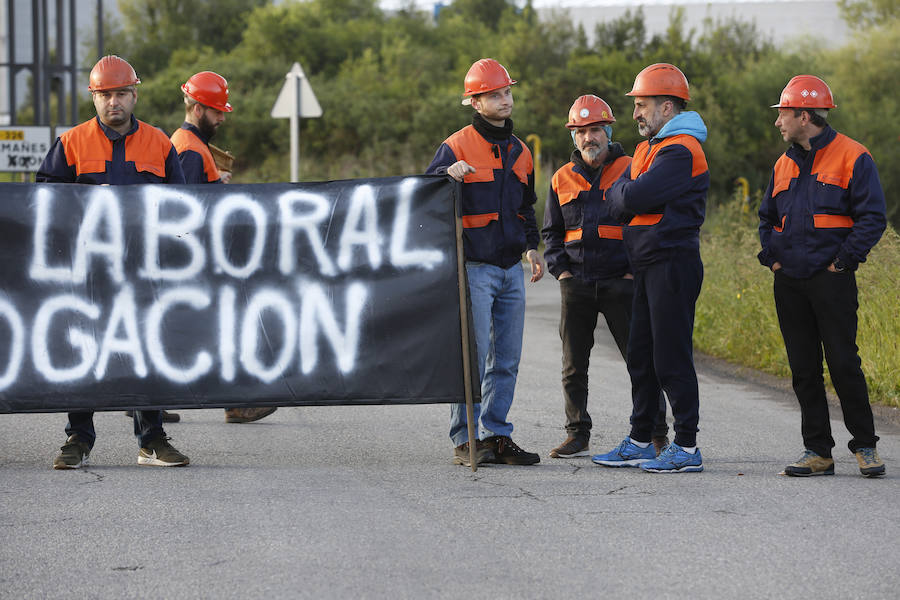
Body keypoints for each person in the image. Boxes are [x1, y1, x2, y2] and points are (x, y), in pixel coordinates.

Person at [36, 55, 190, 469]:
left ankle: (152, 438)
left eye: (121, 93)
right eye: (104, 95)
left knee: (145, 351)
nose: (113, 102)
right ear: (94, 98)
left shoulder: (159, 143)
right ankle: (78, 440)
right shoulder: (71, 143)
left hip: (143, 272)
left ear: (134, 94)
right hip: (86, 275)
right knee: (82, 354)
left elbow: (184, 208)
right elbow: (43, 204)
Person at [758, 75, 886, 478]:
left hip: (831, 280)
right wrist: (772, 259)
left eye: (783, 114)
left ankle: (865, 446)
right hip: (789, 281)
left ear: (804, 115)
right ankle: (818, 452)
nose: (778, 122)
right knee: (803, 368)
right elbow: (766, 218)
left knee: (844, 363)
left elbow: (873, 218)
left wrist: (843, 262)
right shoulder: (783, 163)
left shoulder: (853, 156)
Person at [426, 58, 545, 466]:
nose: (504, 99)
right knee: (472, 359)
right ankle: (465, 439)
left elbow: (526, 208)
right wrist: (446, 175)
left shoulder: (522, 152)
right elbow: (427, 200)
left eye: (507, 92)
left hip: (511, 267)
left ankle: (494, 434)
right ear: (475, 103)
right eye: (494, 94)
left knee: (507, 359)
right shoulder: (455, 146)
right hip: (474, 268)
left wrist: (532, 247)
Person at [593, 63, 708, 473]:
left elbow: (630, 198)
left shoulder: (680, 150)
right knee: (641, 354)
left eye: (642, 105)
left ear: (667, 106)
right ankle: (641, 439)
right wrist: (627, 194)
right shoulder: (649, 149)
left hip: (672, 263)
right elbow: (621, 197)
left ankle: (688, 447)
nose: (636, 113)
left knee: (671, 355)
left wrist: (626, 193)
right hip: (646, 264)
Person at [542, 95, 669, 459]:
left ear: (608, 131)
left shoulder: (633, 167)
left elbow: (648, 220)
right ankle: (577, 433)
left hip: (622, 282)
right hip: (576, 284)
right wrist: (561, 271)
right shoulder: (561, 178)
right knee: (573, 366)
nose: (588, 138)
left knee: (641, 361)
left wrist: (633, 271)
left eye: (595, 129)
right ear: (573, 137)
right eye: (581, 132)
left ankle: (655, 432)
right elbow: (550, 232)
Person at [171, 70, 277, 424]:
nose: (221, 118)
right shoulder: (188, 148)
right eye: (217, 112)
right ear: (197, 108)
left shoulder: (194, 146)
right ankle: (236, 403)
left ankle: (145, 399)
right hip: (201, 256)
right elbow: (186, 208)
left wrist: (218, 181)